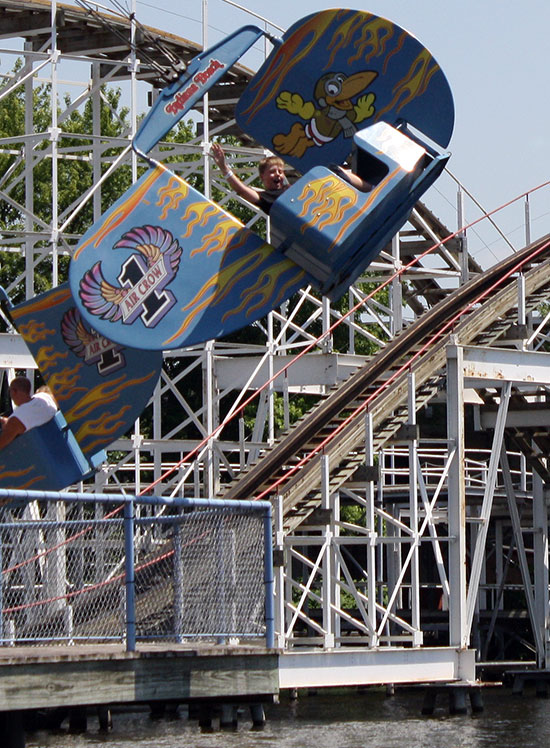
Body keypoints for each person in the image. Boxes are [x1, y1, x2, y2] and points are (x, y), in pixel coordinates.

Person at [210, 142, 289, 215]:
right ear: (262, 176)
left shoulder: (291, 188)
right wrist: (223, 167)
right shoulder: (266, 197)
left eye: (280, 172)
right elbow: (242, 190)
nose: (278, 174)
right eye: (272, 172)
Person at [0, 376, 58, 450]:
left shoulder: (17, 419)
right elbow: (31, 416)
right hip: (52, 441)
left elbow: (2, 442)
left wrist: (9, 424)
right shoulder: (45, 397)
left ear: (14, 391)